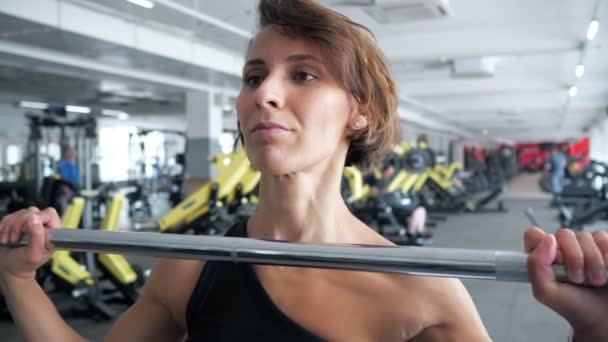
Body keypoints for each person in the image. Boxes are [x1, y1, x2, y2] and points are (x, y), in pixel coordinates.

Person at [0, 1, 606, 341]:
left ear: (359, 115)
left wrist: (591, 332)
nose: (264, 93)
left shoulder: (423, 294)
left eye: (304, 74)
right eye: (253, 75)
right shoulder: (188, 267)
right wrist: (20, 280)